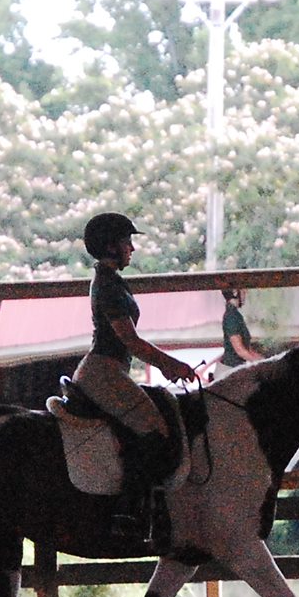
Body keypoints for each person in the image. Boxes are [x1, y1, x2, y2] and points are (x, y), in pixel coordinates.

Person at [73, 211, 198, 539]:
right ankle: (128, 511)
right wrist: (171, 364)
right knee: (153, 428)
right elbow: (130, 340)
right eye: (127, 241)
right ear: (111, 246)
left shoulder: (112, 281)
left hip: (110, 369)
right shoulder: (108, 285)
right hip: (103, 372)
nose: (132, 248)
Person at [217, 287, 268, 368]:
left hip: (235, 367)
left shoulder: (235, 314)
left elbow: (248, 350)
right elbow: (240, 350)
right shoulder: (231, 316)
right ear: (235, 292)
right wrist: (263, 364)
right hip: (230, 369)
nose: (245, 293)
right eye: (243, 290)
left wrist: (265, 361)